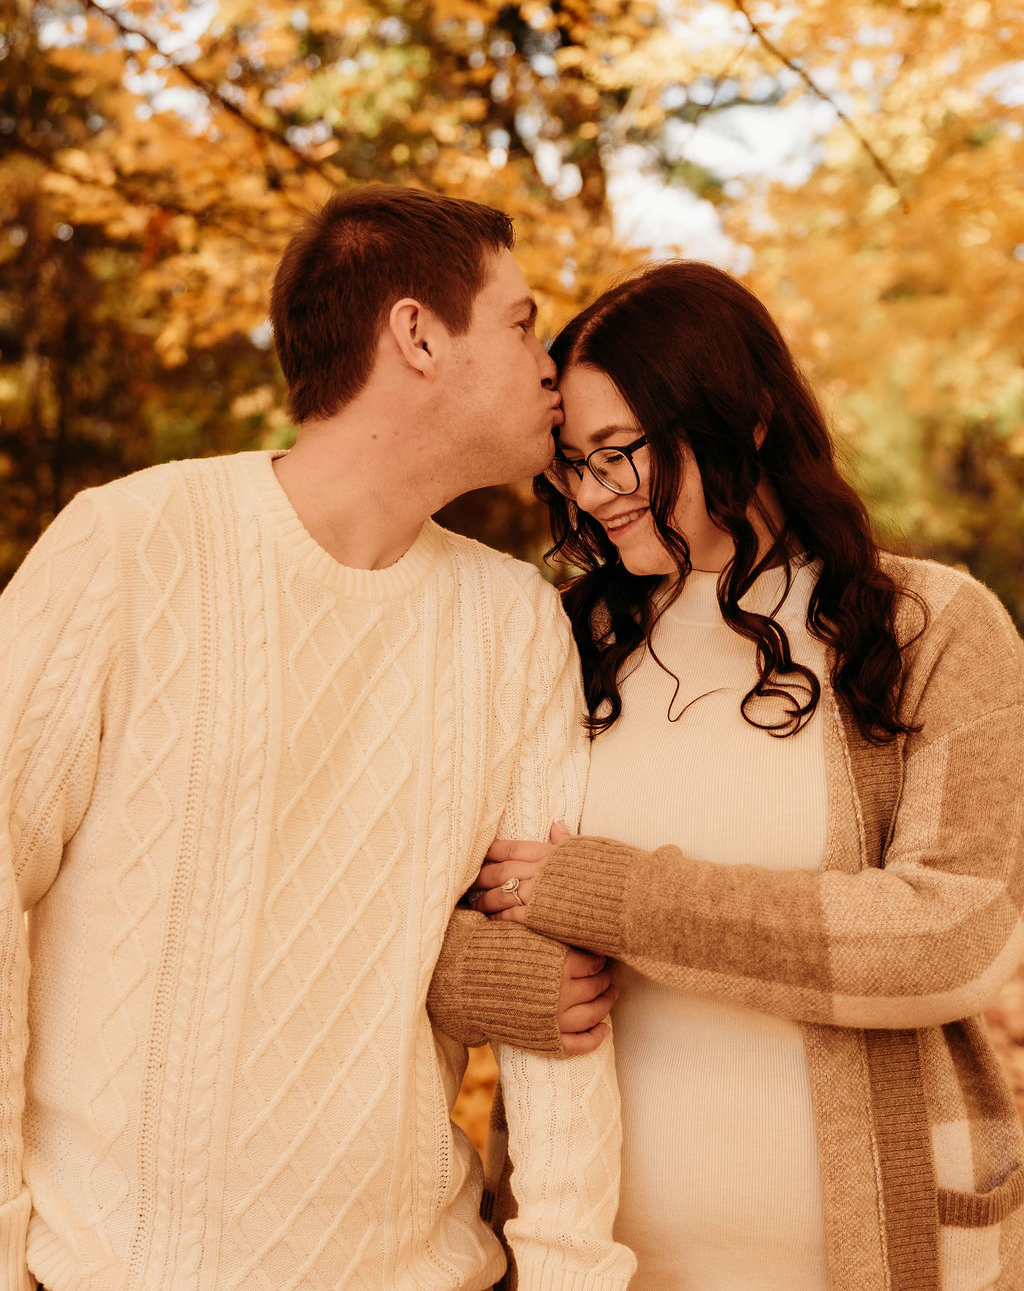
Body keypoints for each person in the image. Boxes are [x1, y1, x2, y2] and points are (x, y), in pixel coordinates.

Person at [0, 186, 636, 1291]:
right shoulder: (130, 545)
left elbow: (550, 976)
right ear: (417, 334)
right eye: (523, 323)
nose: (550, 365)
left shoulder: (510, 619)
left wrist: (570, 1273)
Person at [473, 261, 1024, 1291]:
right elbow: (444, 899)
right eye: (572, 466)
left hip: (881, 1262)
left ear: (747, 417)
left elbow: (951, 938)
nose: (592, 498)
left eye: (618, 456)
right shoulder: (552, 643)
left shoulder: (931, 628)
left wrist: (621, 896)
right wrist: (499, 980)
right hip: (588, 1263)